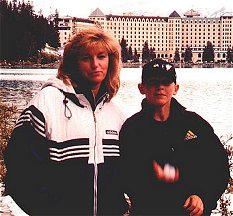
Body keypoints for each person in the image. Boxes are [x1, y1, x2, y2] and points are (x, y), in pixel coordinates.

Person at [3, 28, 128, 215]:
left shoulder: (115, 113)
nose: (95, 65)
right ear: (74, 63)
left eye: (101, 56)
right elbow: (19, 170)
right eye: (86, 58)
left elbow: (128, 175)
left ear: (111, 61)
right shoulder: (46, 102)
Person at [120, 58, 230, 215]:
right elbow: (125, 177)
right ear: (141, 88)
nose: (160, 87)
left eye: (166, 82)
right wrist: (153, 177)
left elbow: (219, 168)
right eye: (153, 82)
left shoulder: (195, 124)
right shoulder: (132, 129)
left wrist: (203, 197)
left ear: (176, 88)